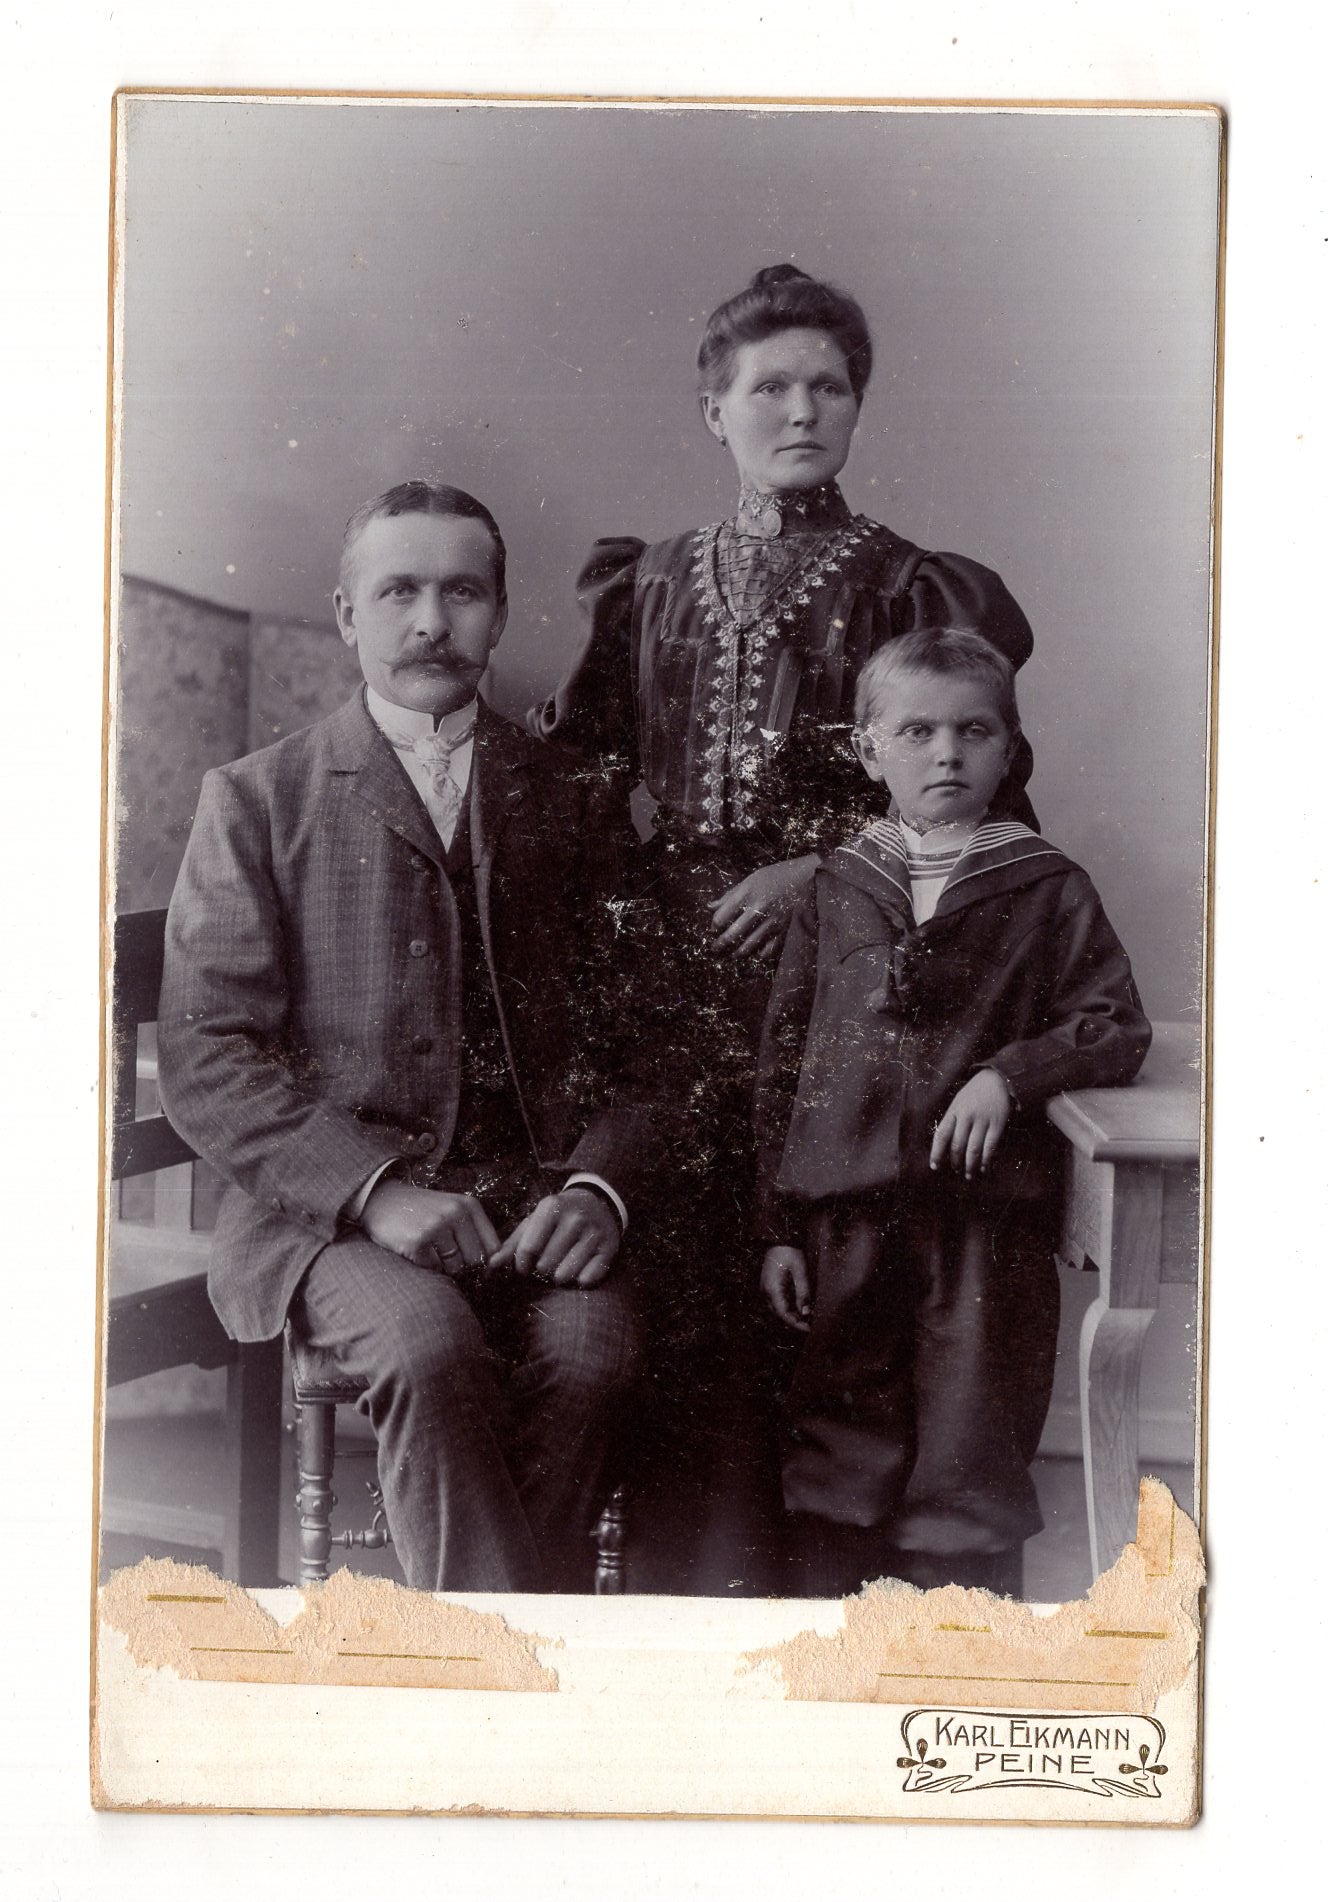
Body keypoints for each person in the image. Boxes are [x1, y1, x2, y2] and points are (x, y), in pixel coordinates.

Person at [531, 264, 1038, 1592]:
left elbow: (982, 811)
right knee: (679, 1289)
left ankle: (832, 1606)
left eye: (827, 386)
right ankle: (693, 1609)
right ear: (715, 410)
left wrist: (820, 872)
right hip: (672, 986)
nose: (800, 411)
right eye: (769, 388)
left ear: (857, 404)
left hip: (847, 988)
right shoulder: (650, 583)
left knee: (823, 1293)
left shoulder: (910, 588)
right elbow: (585, 777)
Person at [157, 480, 660, 1594]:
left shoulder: (574, 801)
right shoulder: (257, 800)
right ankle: (502, 1661)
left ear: (500, 612)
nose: (432, 622)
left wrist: (598, 1190)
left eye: (462, 593)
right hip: (327, 1220)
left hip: (533, 1207)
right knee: (428, 1346)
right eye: (399, 593)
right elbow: (208, 1051)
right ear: (348, 615)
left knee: (596, 1357)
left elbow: (652, 1042)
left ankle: (483, 1646)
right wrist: (374, 1191)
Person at [754, 629, 1151, 1597]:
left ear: (1009, 749)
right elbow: (782, 1062)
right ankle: (831, 1633)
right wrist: (778, 1227)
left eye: (974, 731)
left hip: (980, 1224)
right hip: (846, 1216)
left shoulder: (1044, 886)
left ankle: (963, 1640)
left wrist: (1006, 1077)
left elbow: (1110, 1023)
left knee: (970, 1448)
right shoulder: (839, 887)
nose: (946, 753)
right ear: (867, 750)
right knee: (839, 1435)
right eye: (917, 731)